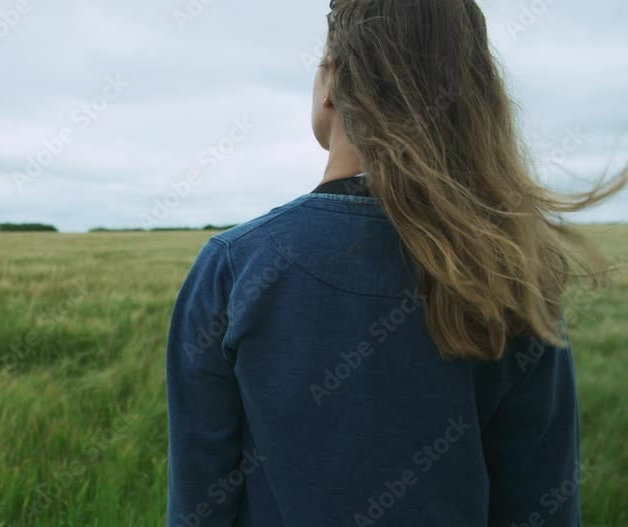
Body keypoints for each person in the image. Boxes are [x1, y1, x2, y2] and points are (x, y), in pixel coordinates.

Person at [164, 1, 627, 525]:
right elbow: (543, 508)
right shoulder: (510, 274)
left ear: (332, 78)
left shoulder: (232, 268)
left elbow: (199, 507)